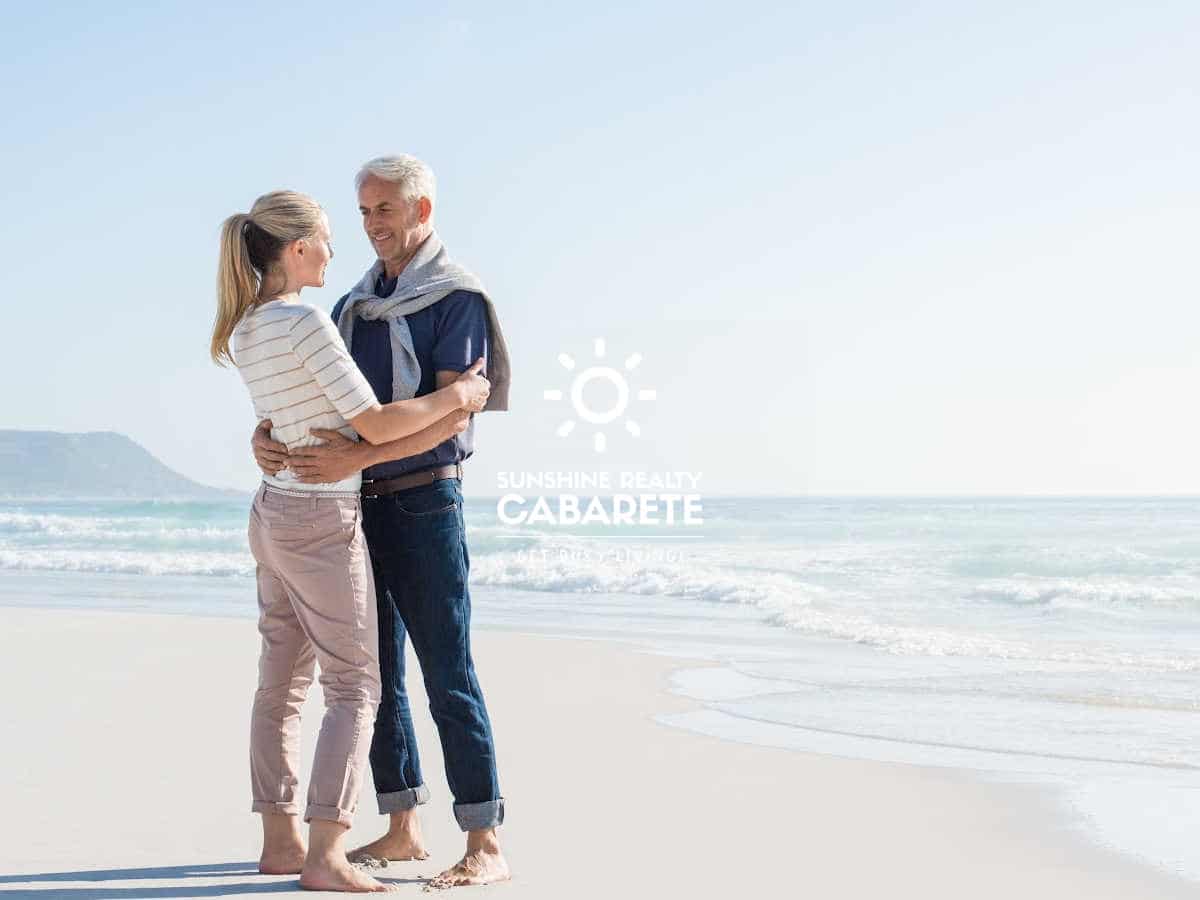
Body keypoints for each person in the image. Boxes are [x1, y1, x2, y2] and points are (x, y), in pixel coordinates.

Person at [213, 189, 490, 893]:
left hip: (271, 513)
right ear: (298, 248)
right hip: (318, 520)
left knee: (280, 682)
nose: (342, 249)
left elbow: (288, 420)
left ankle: (282, 841)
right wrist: (457, 400)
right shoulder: (308, 320)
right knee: (355, 684)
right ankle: (326, 855)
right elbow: (371, 425)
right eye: (331, 237)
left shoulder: (246, 326)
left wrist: (275, 439)